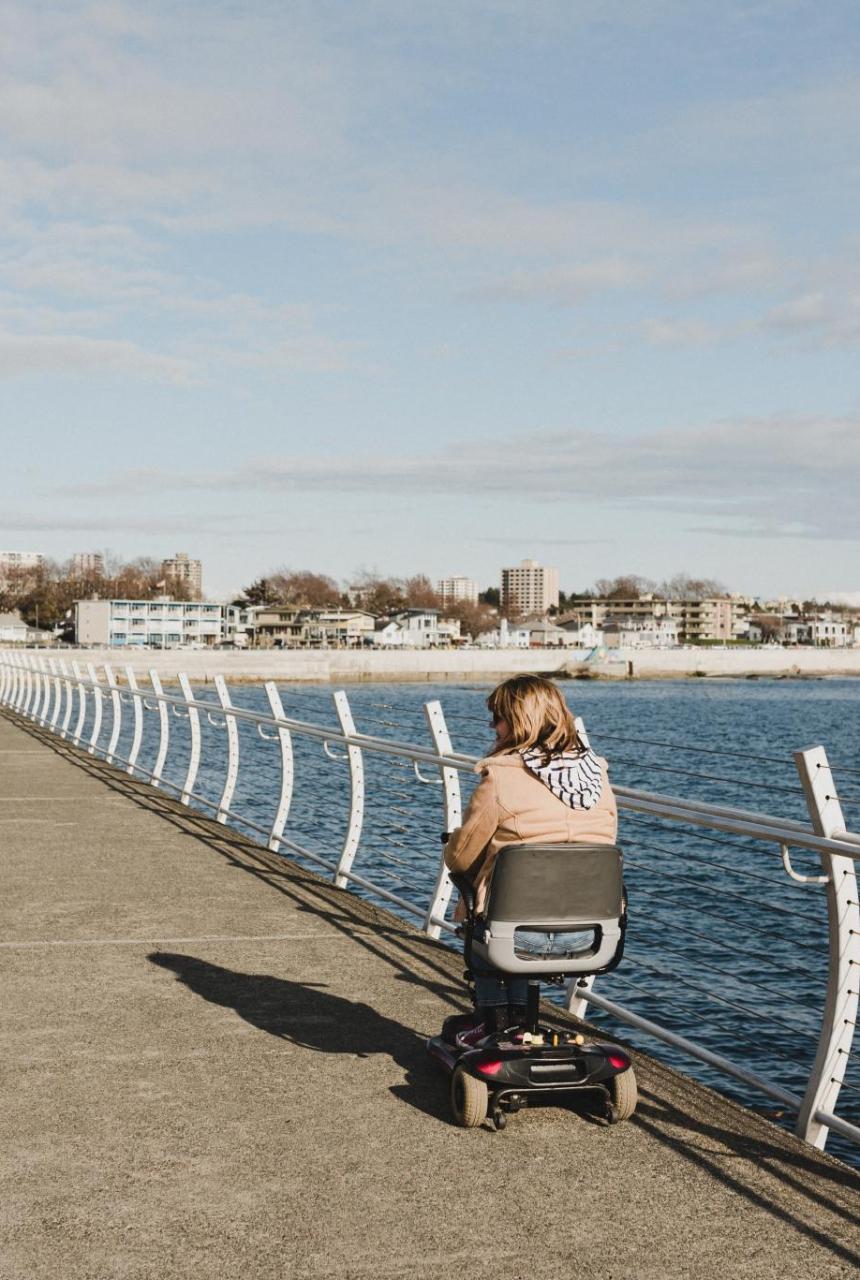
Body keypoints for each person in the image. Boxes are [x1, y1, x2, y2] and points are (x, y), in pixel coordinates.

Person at [444, 674, 618, 1037]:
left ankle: (493, 1019)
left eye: (498, 716)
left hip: (516, 938)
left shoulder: (501, 777)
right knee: (519, 907)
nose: (492, 725)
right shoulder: (597, 777)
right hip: (589, 937)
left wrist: (458, 853)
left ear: (520, 722)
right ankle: (523, 1020)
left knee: (486, 915)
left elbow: (460, 858)